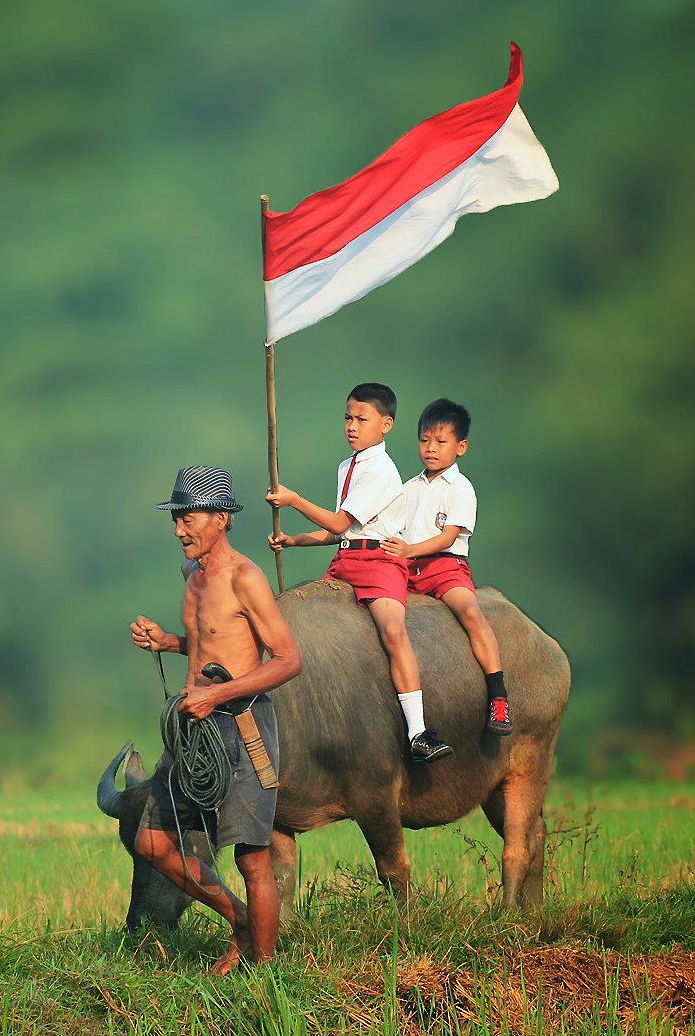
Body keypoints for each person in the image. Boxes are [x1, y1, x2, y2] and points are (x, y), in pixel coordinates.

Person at [127, 465, 301, 974]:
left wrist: (216, 694)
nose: (179, 529)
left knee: (251, 859)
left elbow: (288, 659)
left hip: (241, 727)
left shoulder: (246, 577)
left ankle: (265, 976)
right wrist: (167, 642)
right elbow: (212, 644)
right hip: (193, 732)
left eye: (189, 518)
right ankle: (241, 921)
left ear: (221, 518)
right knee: (152, 842)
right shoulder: (192, 576)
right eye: (176, 519)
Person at [264, 383, 453, 763]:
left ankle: (418, 731)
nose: (352, 426)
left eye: (361, 419)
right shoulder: (347, 466)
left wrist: (294, 499)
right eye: (348, 418)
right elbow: (342, 532)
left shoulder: (382, 470)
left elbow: (337, 521)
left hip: (380, 564)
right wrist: (293, 540)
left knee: (394, 632)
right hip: (346, 561)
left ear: (385, 424)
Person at [379, 398, 512, 734]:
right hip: (407, 570)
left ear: (461, 447)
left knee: (470, 612)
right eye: (424, 440)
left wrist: (407, 550)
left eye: (441, 442)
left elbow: (448, 537)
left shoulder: (461, 489)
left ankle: (498, 696)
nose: (431, 449)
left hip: (444, 567)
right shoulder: (408, 488)